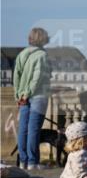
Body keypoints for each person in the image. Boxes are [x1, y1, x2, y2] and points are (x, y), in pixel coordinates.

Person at [13, 28, 52, 170]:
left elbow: (16, 76)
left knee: (23, 129)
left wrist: (18, 95)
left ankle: (23, 161)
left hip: (23, 96)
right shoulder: (42, 55)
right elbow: (37, 77)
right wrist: (28, 93)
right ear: (43, 39)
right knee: (34, 129)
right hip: (38, 96)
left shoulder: (22, 54)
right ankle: (32, 162)